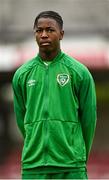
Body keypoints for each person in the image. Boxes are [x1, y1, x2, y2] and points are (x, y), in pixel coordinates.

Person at [12, 10, 97, 179]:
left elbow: (89, 119)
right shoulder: (22, 75)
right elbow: (22, 120)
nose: (44, 35)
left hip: (71, 167)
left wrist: (77, 154)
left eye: (50, 30)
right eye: (39, 30)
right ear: (35, 34)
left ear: (61, 34)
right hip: (33, 167)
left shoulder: (79, 72)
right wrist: (35, 143)